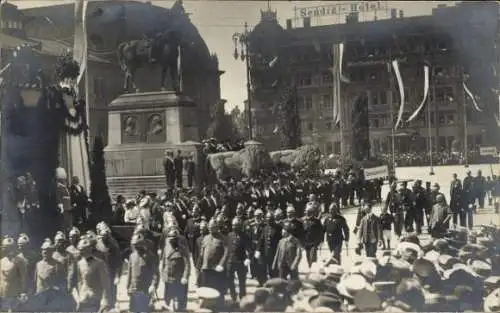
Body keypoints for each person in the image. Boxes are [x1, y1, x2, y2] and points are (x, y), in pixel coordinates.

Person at [69, 237, 111, 312]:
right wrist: (79, 298)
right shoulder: (79, 263)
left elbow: (106, 283)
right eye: (80, 250)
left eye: (83, 250)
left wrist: (105, 299)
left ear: (89, 249)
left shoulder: (99, 263)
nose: (81, 252)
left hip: (96, 298)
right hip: (84, 298)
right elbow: (79, 281)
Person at [197, 219, 228, 307]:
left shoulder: (222, 238)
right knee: (206, 287)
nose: (210, 229)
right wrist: (199, 266)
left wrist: (221, 264)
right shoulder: (206, 238)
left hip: (216, 268)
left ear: (217, 228)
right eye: (209, 227)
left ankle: (219, 305)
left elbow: (226, 253)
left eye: (212, 227)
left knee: (218, 287)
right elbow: (202, 253)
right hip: (206, 267)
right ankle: (207, 304)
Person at [127, 233, 159, 313]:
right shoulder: (132, 256)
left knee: (145, 310)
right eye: (134, 245)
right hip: (134, 288)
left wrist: (153, 285)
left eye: (137, 245)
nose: (135, 247)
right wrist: (128, 287)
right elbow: (129, 273)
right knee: (133, 310)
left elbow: (155, 273)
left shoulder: (151, 256)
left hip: (145, 289)